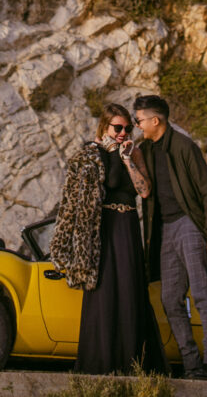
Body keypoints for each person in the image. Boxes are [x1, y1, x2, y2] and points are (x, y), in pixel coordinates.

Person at [50, 102, 169, 376]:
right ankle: (100, 364)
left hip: (127, 226)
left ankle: (132, 364)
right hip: (102, 230)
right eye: (118, 127)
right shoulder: (92, 154)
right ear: (105, 126)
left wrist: (127, 159)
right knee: (103, 293)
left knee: (130, 291)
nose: (123, 132)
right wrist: (104, 151)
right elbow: (76, 195)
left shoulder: (134, 152)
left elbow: (145, 190)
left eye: (127, 128)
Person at [133, 93, 207, 381]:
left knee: (203, 293)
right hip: (163, 231)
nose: (137, 125)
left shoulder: (183, 146)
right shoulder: (147, 149)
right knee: (170, 298)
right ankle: (192, 364)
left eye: (139, 120)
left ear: (156, 120)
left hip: (189, 224)